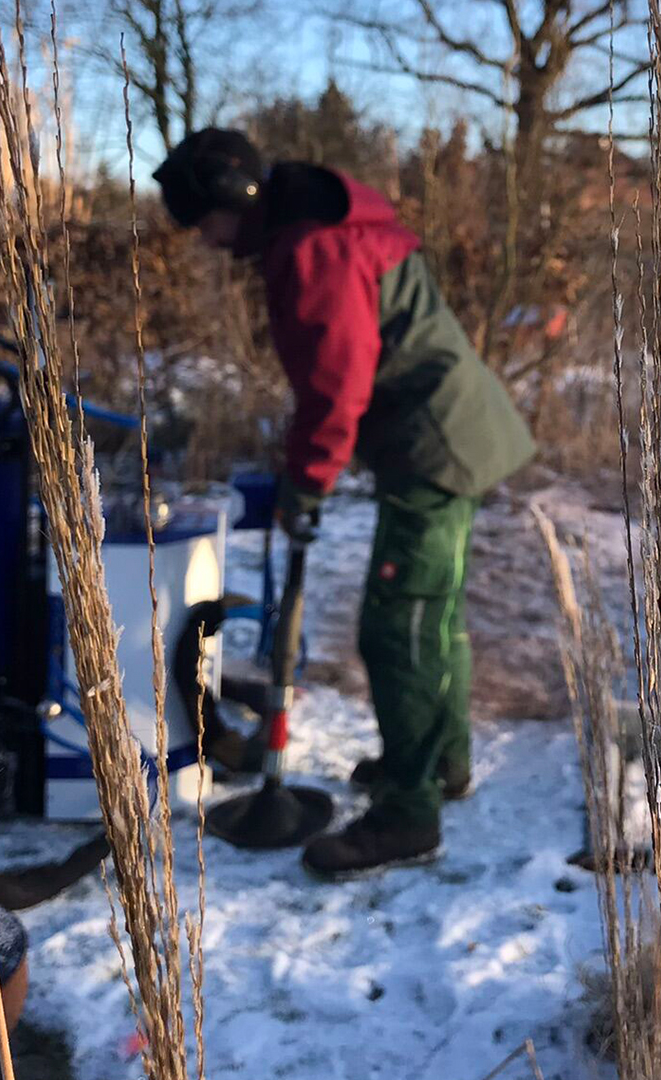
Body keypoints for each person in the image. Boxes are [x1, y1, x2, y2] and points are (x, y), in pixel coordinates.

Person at [154, 128, 535, 879]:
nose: (204, 241)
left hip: (436, 447)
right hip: (446, 438)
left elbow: (337, 383)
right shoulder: (319, 227)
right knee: (434, 615)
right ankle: (433, 766)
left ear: (235, 199)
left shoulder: (311, 250)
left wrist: (307, 483)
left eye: (204, 222)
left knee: (400, 626)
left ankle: (408, 817)